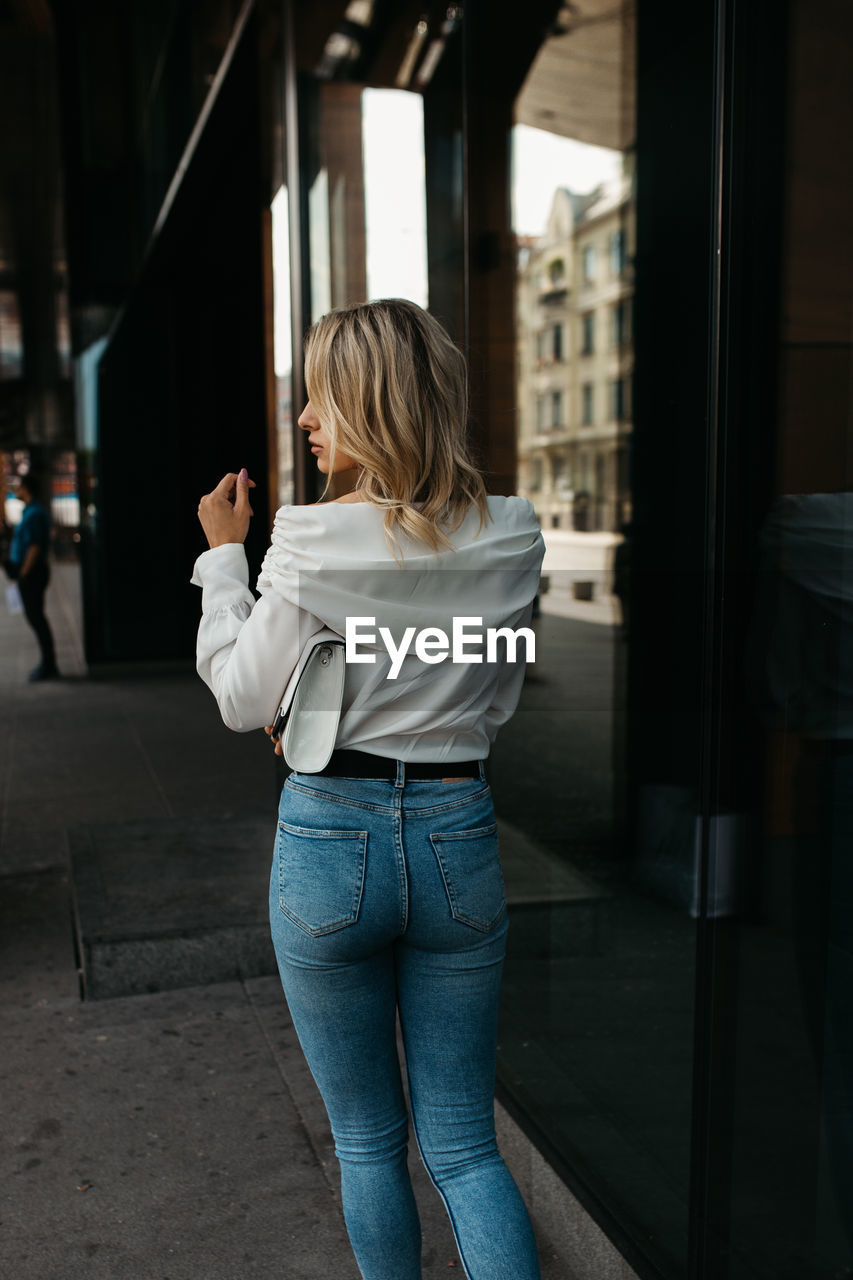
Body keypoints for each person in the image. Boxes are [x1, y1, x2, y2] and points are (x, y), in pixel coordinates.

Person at [191, 298, 545, 1279]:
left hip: (329, 838)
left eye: (321, 395)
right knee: (466, 1147)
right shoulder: (512, 533)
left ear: (373, 402)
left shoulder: (306, 537)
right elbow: (493, 691)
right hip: (455, 832)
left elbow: (238, 696)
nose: (304, 415)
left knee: (366, 1141)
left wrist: (226, 561)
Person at [7, 472, 59, 681]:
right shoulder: (31, 511)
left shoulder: (35, 513)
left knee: (37, 618)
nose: (16, 491)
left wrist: (23, 573)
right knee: (35, 617)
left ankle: (49, 664)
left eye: (19, 488)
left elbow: (35, 547)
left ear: (27, 489)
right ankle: (48, 662)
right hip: (30, 572)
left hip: (32, 573)